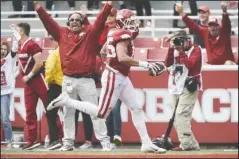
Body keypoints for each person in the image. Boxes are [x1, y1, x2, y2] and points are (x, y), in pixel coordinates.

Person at [47, 9, 167, 154]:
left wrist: (109, 62)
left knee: (136, 108)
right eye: (131, 21)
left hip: (121, 76)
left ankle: (146, 142)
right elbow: (122, 58)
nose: (134, 23)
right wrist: (146, 64)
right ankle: (67, 101)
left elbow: (103, 51)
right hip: (114, 76)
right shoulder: (122, 34)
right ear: (123, 21)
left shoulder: (113, 32)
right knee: (100, 113)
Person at [34, 0, 113, 151]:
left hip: (86, 80)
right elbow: (48, 22)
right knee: (68, 113)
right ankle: (68, 143)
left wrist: (108, 5)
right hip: (68, 80)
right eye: (72, 20)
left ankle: (105, 142)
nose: (75, 22)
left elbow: (100, 19)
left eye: (78, 20)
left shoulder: (90, 32)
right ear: (68, 23)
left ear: (83, 23)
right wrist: (39, 9)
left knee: (95, 111)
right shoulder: (62, 33)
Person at [12, 22, 62, 150]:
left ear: (22, 31)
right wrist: (16, 74)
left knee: (50, 109)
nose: (15, 32)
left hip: (39, 80)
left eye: (17, 30)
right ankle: (32, 140)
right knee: (29, 112)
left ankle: (58, 138)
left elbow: (39, 63)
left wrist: (28, 76)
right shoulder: (19, 44)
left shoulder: (32, 44)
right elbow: (20, 63)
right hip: (28, 83)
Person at [164, 30, 202, 151]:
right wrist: (171, 49)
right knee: (177, 117)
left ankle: (186, 145)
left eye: (181, 40)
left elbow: (190, 64)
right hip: (176, 86)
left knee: (181, 115)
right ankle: (192, 144)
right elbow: (167, 63)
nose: (179, 43)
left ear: (187, 39)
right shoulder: (174, 49)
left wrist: (180, 51)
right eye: (176, 40)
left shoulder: (195, 49)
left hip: (189, 86)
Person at [44, 38, 64, 150]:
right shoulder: (67, 52)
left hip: (56, 85)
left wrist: (48, 82)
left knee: (50, 112)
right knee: (69, 114)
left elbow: (50, 70)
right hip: (68, 84)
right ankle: (67, 140)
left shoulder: (54, 54)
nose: (53, 42)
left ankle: (55, 140)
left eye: (54, 40)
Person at [1, 39, 18, 148]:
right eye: (1, 49)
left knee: (5, 118)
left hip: (4, 92)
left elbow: (14, 49)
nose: (3, 51)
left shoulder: (9, 58)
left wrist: (15, 37)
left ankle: (9, 141)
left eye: (4, 49)